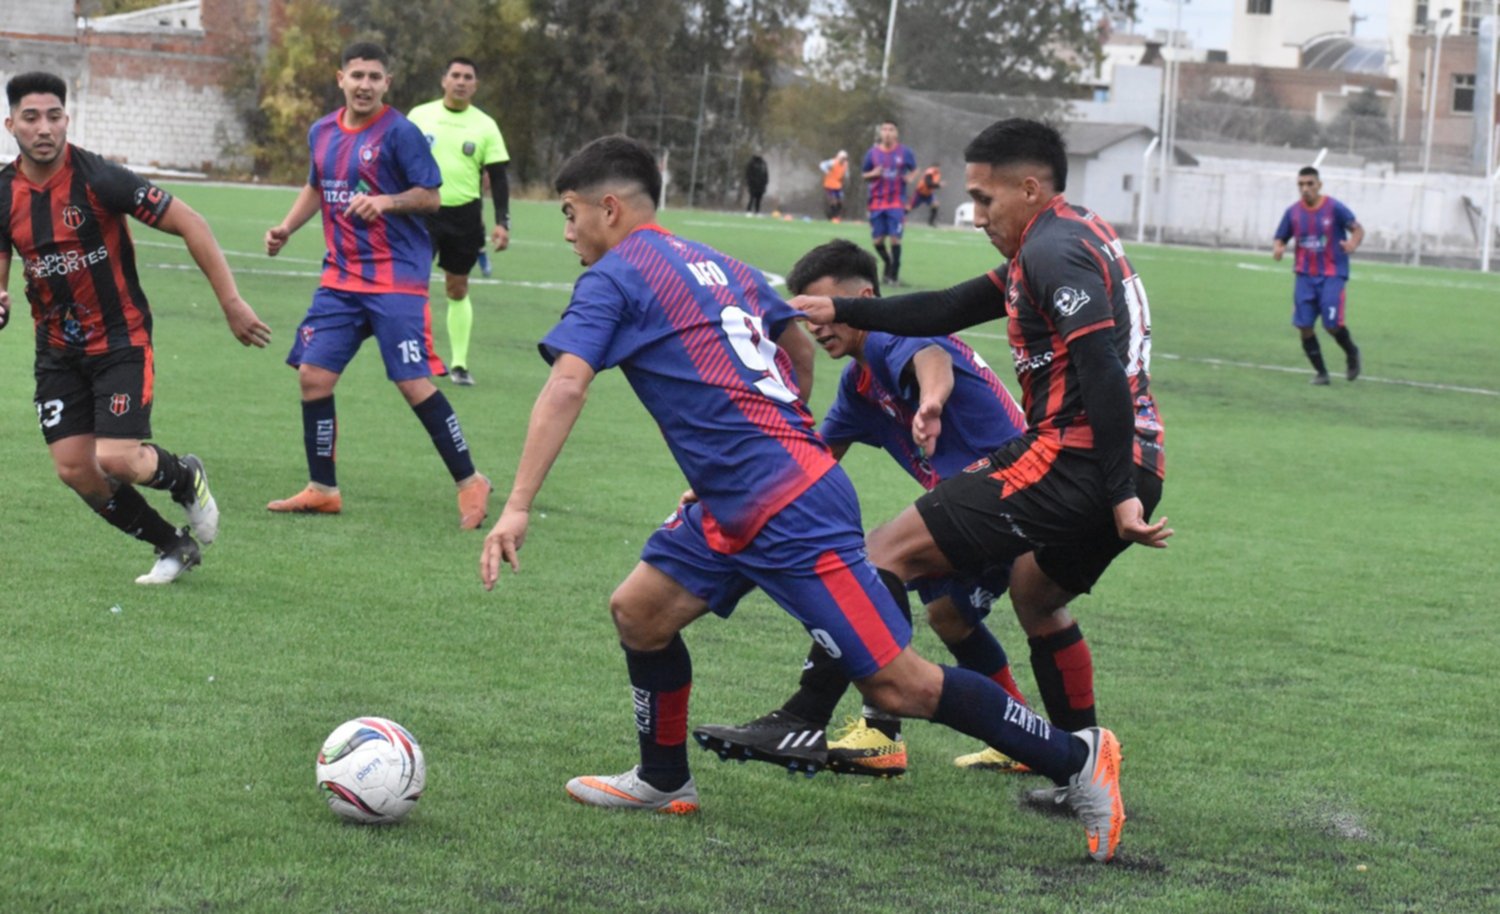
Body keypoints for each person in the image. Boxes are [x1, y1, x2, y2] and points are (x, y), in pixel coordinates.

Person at [479, 133, 1127, 864]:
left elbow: (568, 383)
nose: (567, 233)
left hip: (785, 503)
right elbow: (792, 339)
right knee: (640, 611)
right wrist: (777, 419)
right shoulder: (717, 261)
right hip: (738, 494)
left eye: (569, 215)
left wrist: (518, 504)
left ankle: (1077, 760)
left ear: (608, 208)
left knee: (898, 683)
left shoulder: (614, 275)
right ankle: (663, 780)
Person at [795, 117, 1171, 815]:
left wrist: (1118, 494)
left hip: (1080, 458)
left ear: (1028, 189)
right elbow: (948, 307)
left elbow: (1102, 370)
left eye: (984, 199)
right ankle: (1080, 768)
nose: (975, 215)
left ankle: (813, 717)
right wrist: (844, 306)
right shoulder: (1065, 235)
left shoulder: (1055, 251)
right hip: (1128, 456)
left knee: (885, 550)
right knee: (1035, 596)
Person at [692, 239, 1036, 778]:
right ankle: (1024, 736)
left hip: (1012, 491)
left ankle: (861, 728)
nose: (819, 327)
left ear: (864, 298)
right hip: (993, 501)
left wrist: (931, 401)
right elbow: (812, 458)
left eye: (826, 312)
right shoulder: (858, 385)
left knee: (875, 564)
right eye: (808, 318)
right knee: (949, 617)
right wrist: (732, 485)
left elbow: (932, 357)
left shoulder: (891, 337)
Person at [0, 71, 271, 585]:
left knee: (118, 458)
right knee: (76, 469)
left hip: (120, 340)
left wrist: (231, 301)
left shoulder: (99, 179)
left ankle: (185, 476)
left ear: (67, 120)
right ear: (10, 123)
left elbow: (191, 221)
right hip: (56, 349)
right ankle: (172, 544)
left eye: (54, 116)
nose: (44, 128)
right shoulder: (2, 193)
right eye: (31, 117)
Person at [264, 41, 492, 529]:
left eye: (374, 76)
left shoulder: (401, 133)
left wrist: (386, 202)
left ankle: (470, 480)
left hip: (396, 278)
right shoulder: (321, 131)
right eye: (356, 75)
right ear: (340, 78)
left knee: (412, 382)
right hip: (341, 277)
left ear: (387, 82)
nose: (364, 84)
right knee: (313, 376)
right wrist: (287, 227)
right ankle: (323, 488)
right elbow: (316, 185)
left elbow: (432, 197)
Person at [408, 56, 512, 387]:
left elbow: (498, 178)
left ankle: (459, 364)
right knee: (413, 284)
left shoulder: (485, 125)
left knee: (457, 287)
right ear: (444, 80)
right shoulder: (420, 116)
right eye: (455, 75)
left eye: (468, 77)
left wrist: (502, 222)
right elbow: (396, 160)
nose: (461, 81)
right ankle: (415, 356)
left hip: (464, 215)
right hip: (421, 211)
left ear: (475, 85)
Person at [1272, 166, 1362, 385]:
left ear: (1319, 185)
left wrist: (1352, 243)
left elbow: (1358, 229)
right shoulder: (1292, 212)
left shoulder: (1334, 208)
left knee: (1331, 325)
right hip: (1304, 276)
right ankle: (1322, 374)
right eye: (1301, 184)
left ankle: (1352, 353)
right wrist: (1278, 247)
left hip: (1332, 274)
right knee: (1304, 326)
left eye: (1310, 184)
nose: (1305, 189)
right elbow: (1280, 237)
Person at [861, 120, 915, 286]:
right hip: (877, 203)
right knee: (877, 241)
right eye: (884, 129)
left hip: (896, 203)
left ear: (896, 133)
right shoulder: (872, 153)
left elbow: (914, 169)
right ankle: (888, 262)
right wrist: (874, 173)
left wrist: (910, 178)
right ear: (880, 132)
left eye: (891, 129)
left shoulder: (905, 152)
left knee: (895, 240)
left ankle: (893, 276)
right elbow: (864, 174)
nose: (887, 132)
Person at [908, 163, 942, 227]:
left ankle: (931, 221)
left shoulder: (937, 174)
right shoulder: (929, 172)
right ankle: (899, 218)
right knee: (909, 207)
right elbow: (928, 183)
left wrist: (938, 185)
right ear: (934, 167)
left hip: (928, 194)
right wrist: (939, 185)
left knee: (935, 205)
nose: (938, 169)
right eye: (937, 167)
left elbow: (932, 185)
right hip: (920, 193)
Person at [819, 150, 848, 222]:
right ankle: (834, 216)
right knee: (833, 200)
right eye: (842, 158)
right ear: (838, 157)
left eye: (844, 158)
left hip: (838, 185)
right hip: (829, 184)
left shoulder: (845, 164)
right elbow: (822, 165)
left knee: (840, 200)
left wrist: (846, 177)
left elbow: (846, 173)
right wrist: (827, 171)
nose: (843, 160)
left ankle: (836, 215)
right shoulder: (833, 162)